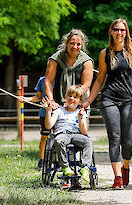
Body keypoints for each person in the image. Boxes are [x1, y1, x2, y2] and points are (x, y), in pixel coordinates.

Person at [83, 18, 132, 189]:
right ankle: (117, 177)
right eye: (116, 29)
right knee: (115, 137)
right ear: (111, 31)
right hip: (109, 98)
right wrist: (88, 101)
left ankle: (125, 168)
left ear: (127, 32)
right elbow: (100, 79)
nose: (119, 33)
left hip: (130, 100)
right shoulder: (105, 53)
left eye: (122, 30)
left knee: (127, 141)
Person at [39, 28, 94, 169]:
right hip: (58, 100)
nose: (75, 47)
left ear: (82, 45)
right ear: (66, 43)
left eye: (78, 44)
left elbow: (86, 84)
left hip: (78, 101)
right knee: (59, 131)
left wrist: (73, 99)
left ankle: (79, 165)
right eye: (72, 43)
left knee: (79, 130)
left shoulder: (86, 61)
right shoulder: (55, 59)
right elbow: (48, 81)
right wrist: (51, 101)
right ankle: (61, 162)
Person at [43, 85, 93, 184]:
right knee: (59, 141)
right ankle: (65, 167)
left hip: (76, 134)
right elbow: (48, 126)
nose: (72, 99)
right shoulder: (59, 111)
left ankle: (85, 167)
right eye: (70, 96)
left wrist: (80, 118)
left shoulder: (80, 112)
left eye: (75, 97)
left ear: (79, 101)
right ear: (65, 98)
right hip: (62, 134)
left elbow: (84, 132)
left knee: (88, 141)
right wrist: (48, 111)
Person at [19, 76, 50, 170]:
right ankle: (42, 160)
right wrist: (26, 99)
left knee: (59, 138)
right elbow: (38, 97)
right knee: (44, 136)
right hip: (44, 113)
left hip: (59, 113)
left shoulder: (62, 78)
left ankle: (58, 161)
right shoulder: (42, 80)